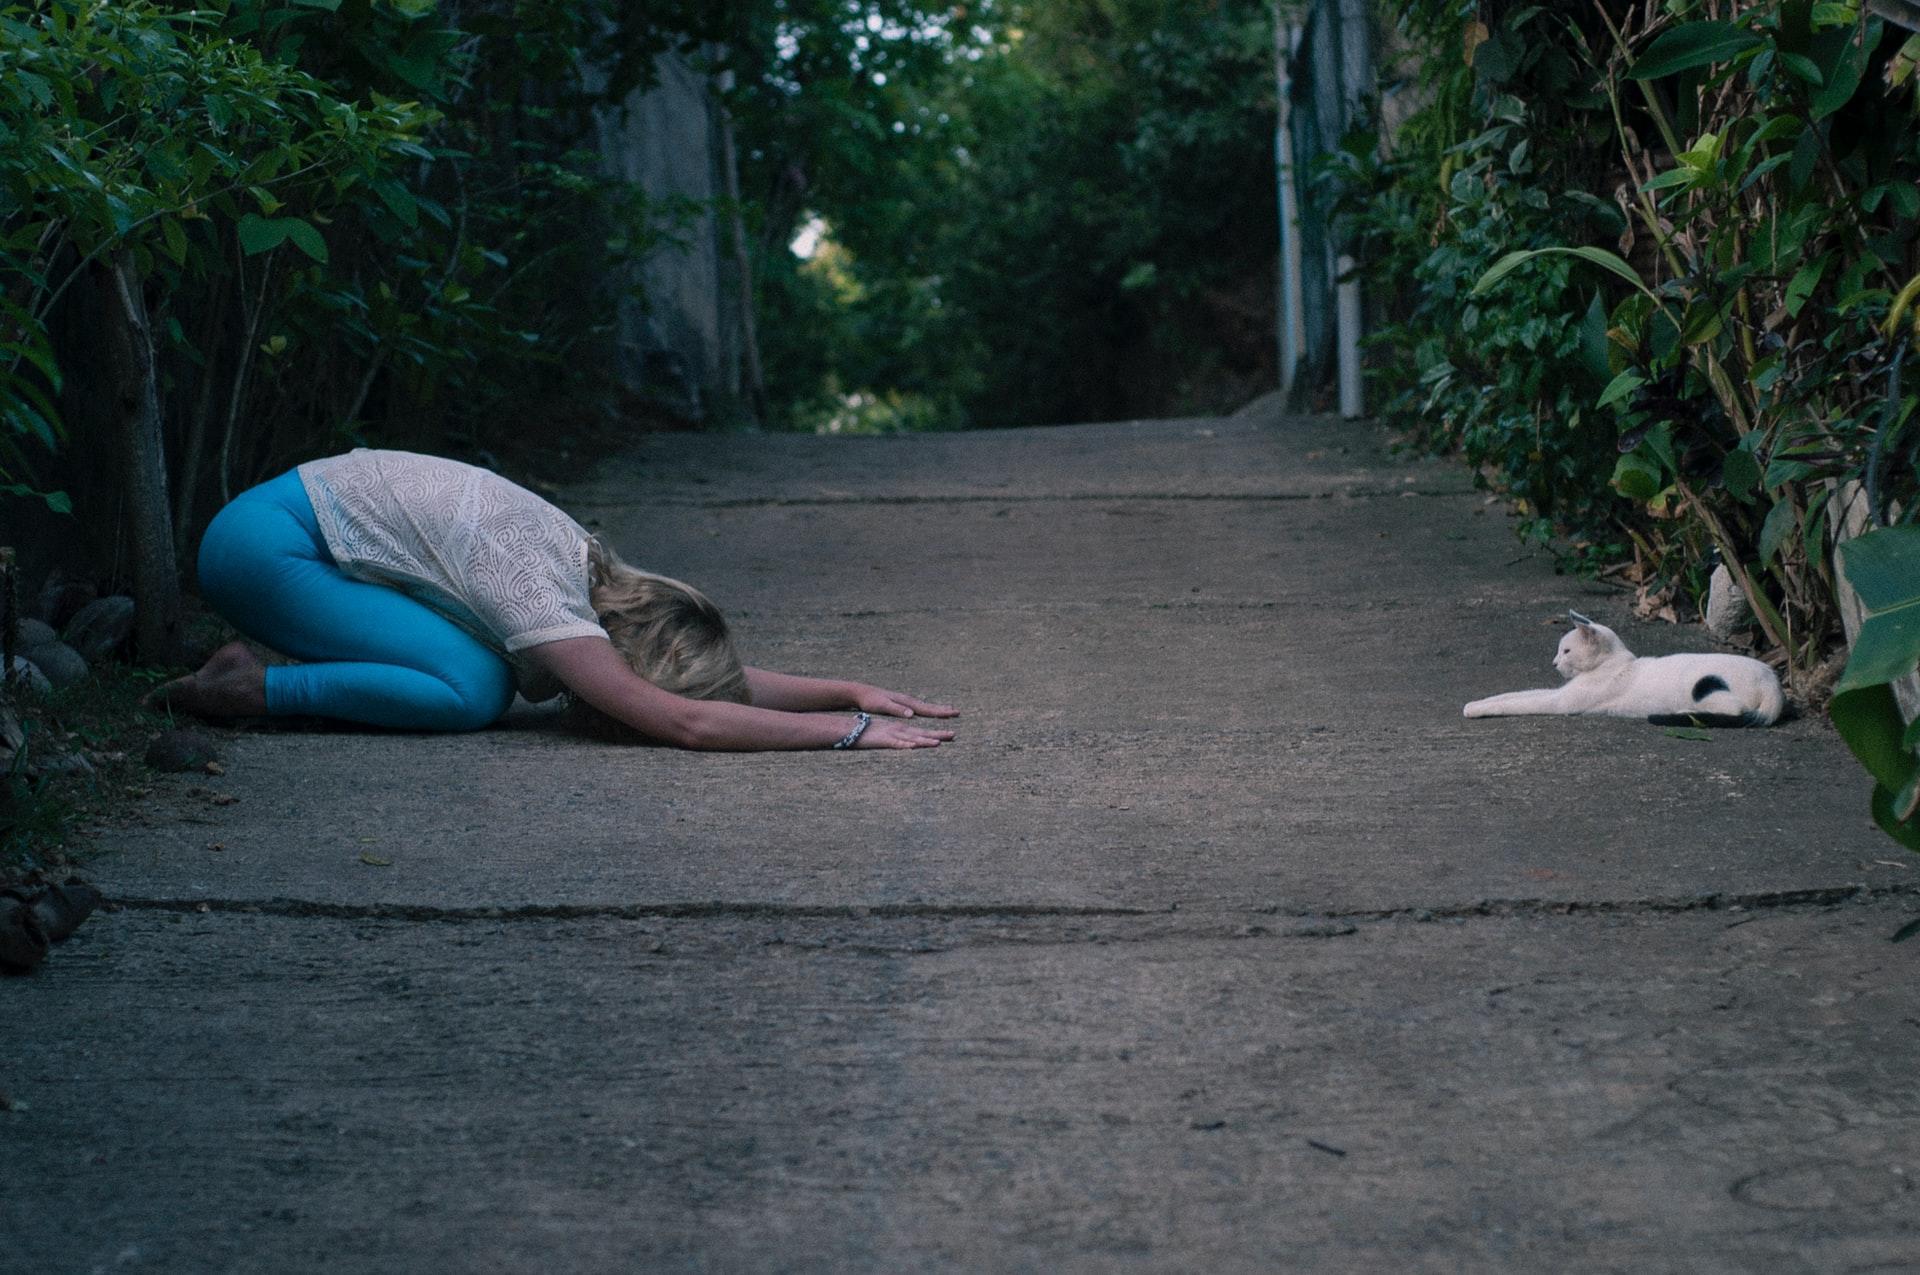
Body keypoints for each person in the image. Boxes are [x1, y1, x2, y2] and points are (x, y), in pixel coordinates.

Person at [152, 449, 957, 751]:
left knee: (474, 673)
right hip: (264, 548)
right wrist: (845, 731)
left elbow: (688, 685)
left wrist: (843, 685)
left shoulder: (590, 574)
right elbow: (683, 716)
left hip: (279, 528)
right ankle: (250, 689)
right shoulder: (540, 592)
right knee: (473, 689)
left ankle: (248, 672)